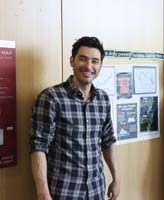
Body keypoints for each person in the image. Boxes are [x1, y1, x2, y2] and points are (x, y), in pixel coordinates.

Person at [29, 36, 120, 200]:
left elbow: (108, 141)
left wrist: (116, 177)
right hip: (63, 192)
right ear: (72, 61)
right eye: (83, 59)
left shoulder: (103, 99)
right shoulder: (51, 97)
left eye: (95, 61)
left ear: (100, 65)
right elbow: (38, 147)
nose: (89, 66)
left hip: (96, 190)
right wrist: (42, 192)